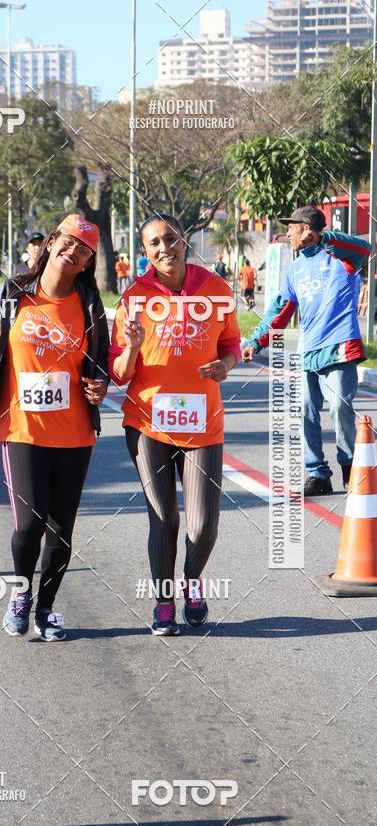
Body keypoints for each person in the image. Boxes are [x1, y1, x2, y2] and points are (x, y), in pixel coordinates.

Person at [0, 214, 110, 641]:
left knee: (62, 528)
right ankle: (21, 595)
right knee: (29, 525)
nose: (74, 251)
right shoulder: (13, 292)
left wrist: (99, 387)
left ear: (86, 262)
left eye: (84, 250)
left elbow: (98, 363)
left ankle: (45, 609)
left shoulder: (89, 304)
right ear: (52, 242)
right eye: (68, 241)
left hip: (75, 431)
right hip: (22, 429)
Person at [109, 212, 241, 636]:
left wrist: (227, 364)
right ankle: (164, 602)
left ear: (183, 241)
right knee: (164, 519)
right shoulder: (134, 296)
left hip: (203, 422)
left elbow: (232, 343)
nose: (164, 248)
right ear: (144, 252)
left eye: (170, 239)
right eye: (154, 243)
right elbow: (119, 372)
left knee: (203, 526)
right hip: (149, 423)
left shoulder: (215, 288)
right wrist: (130, 346)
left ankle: (191, 580)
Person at [242, 205, 371, 496]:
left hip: (339, 344)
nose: (287, 234)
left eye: (291, 228)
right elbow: (279, 311)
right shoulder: (296, 269)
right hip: (309, 350)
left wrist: (324, 239)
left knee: (340, 407)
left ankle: (350, 467)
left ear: (307, 229)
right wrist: (256, 341)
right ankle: (318, 474)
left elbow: (366, 248)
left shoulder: (341, 258)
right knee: (306, 410)